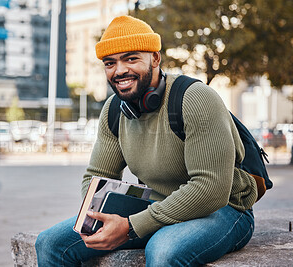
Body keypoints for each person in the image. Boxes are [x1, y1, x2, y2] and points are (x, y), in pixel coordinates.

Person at [35, 15, 257, 266]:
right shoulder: (114, 110)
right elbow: (96, 175)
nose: (119, 71)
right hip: (157, 206)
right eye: (110, 63)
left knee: (163, 251)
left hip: (223, 210)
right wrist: (96, 219)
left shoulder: (196, 98)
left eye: (131, 58)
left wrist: (131, 226)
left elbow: (210, 189)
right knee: (50, 243)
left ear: (155, 58)